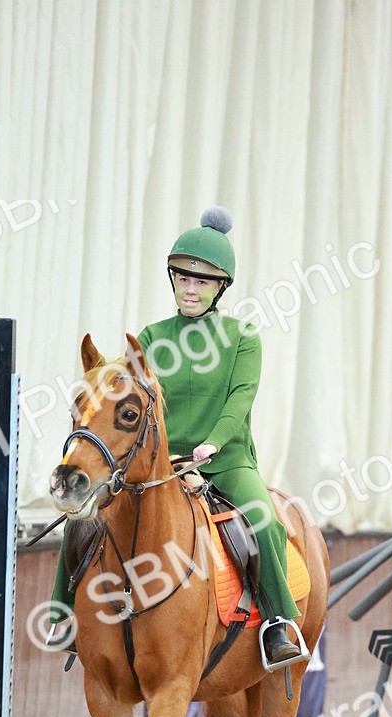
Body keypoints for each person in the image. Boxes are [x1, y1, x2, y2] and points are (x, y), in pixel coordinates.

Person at [51, 207, 305, 666]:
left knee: (263, 518)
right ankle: (65, 616)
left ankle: (277, 622)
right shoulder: (151, 337)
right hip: (156, 465)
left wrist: (213, 443)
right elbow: (128, 396)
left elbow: (241, 399)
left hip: (224, 461)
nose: (190, 288)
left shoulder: (243, 337)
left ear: (220, 287)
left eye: (202, 282)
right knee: (82, 514)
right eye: (183, 278)